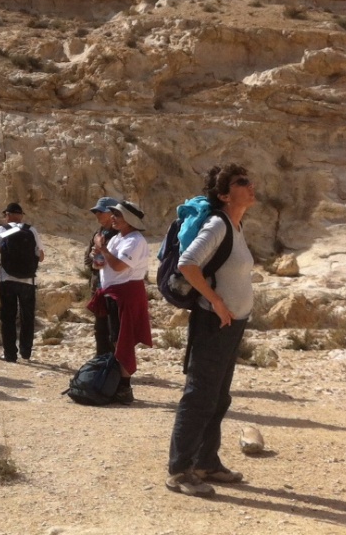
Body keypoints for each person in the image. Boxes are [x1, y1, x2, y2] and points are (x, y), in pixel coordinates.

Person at [167, 165, 257, 497]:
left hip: (231, 324)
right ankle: (179, 471)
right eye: (242, 182)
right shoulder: (218, 224)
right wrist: (217, 301)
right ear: (223, 195)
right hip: (213, 323)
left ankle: (206, 461)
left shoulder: (236, 225)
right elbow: (188, 264)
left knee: (218, 397)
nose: (251, 186)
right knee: (199, 396)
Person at [89, 200, 152, 402]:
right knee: (111, 337)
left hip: (126, 294)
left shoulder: (135, 241)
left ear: (130, 220)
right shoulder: (118, 239)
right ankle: (112, 380)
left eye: (118, 215)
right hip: (112, 292)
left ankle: (124, 387)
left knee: (121, 339)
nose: (113, 218)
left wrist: (103, 249)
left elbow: (117, 266)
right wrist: (97, 254)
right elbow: (101, 266)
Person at [0, 202, 44, 363]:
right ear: (21, 216)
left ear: (8, 215)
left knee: (8, 317)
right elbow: (41, 256)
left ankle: (10, 354)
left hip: (7, 279)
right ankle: (26, 352)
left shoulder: (2, 230)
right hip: (28, 280)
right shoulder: (31, 230)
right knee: (27, 316)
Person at [86, 197, 125, 356]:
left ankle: (116, 366)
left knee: (115, 330)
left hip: (116, 290)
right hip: (99, 289)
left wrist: (104, 255)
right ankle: (101, 361)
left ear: (112, 213)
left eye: (101, 212)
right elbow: (87, 260)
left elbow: (123, 264)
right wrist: (93, 257)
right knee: (100, 328)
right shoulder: (98, 233)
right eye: (96, 212)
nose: (98, 215)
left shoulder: (122, 235)